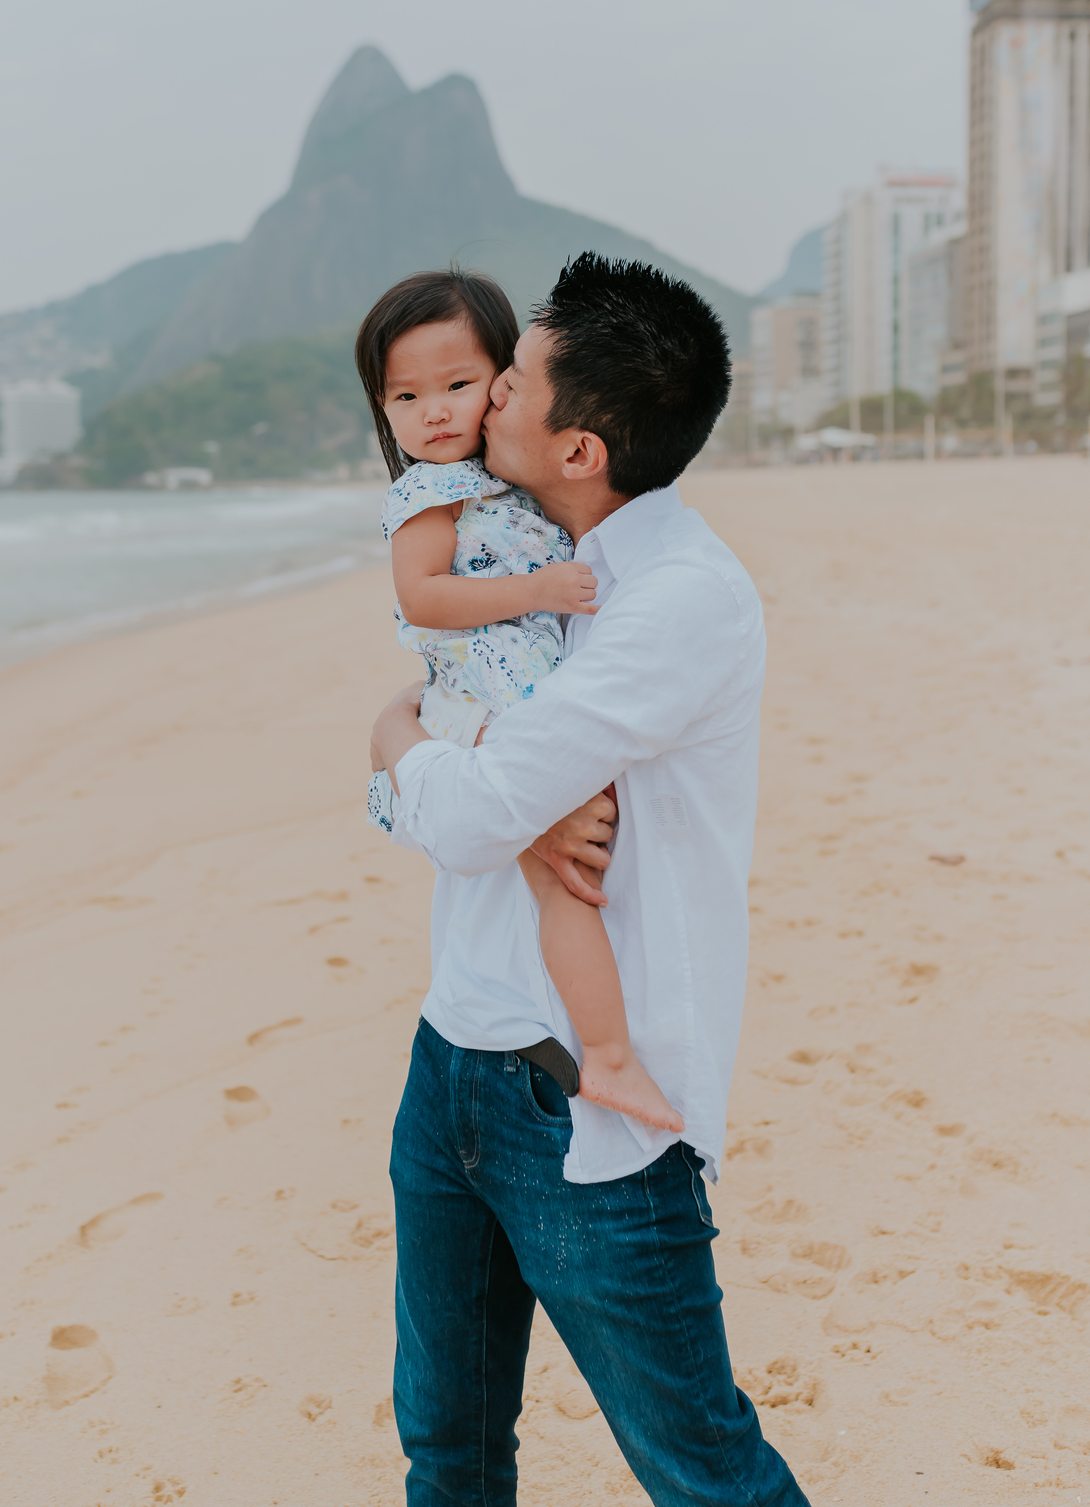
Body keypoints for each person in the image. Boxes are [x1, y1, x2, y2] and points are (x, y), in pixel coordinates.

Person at [370, 252, 810, 1505]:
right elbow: (471, 752)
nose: (486, 396)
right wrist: (450, 755)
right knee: (449, 1450)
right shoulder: (528, 564)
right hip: (452, 1053)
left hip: (587, 1114)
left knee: (708, 1471)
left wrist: (396, 742)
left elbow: (460, 812)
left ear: (581, 447)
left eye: (511, 384)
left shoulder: (674, 602)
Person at [355, 269, 683, 1131]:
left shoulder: (505, 485)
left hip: (517, 696)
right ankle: (608, 1056)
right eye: (406, 396)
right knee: (560, 883)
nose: (434, 411)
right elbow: (422, 600)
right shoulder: (428, 494)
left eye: (458, 386)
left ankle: (606, 1048)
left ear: (502, 384)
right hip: (483, 708)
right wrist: (536, 589)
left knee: (569, 874)